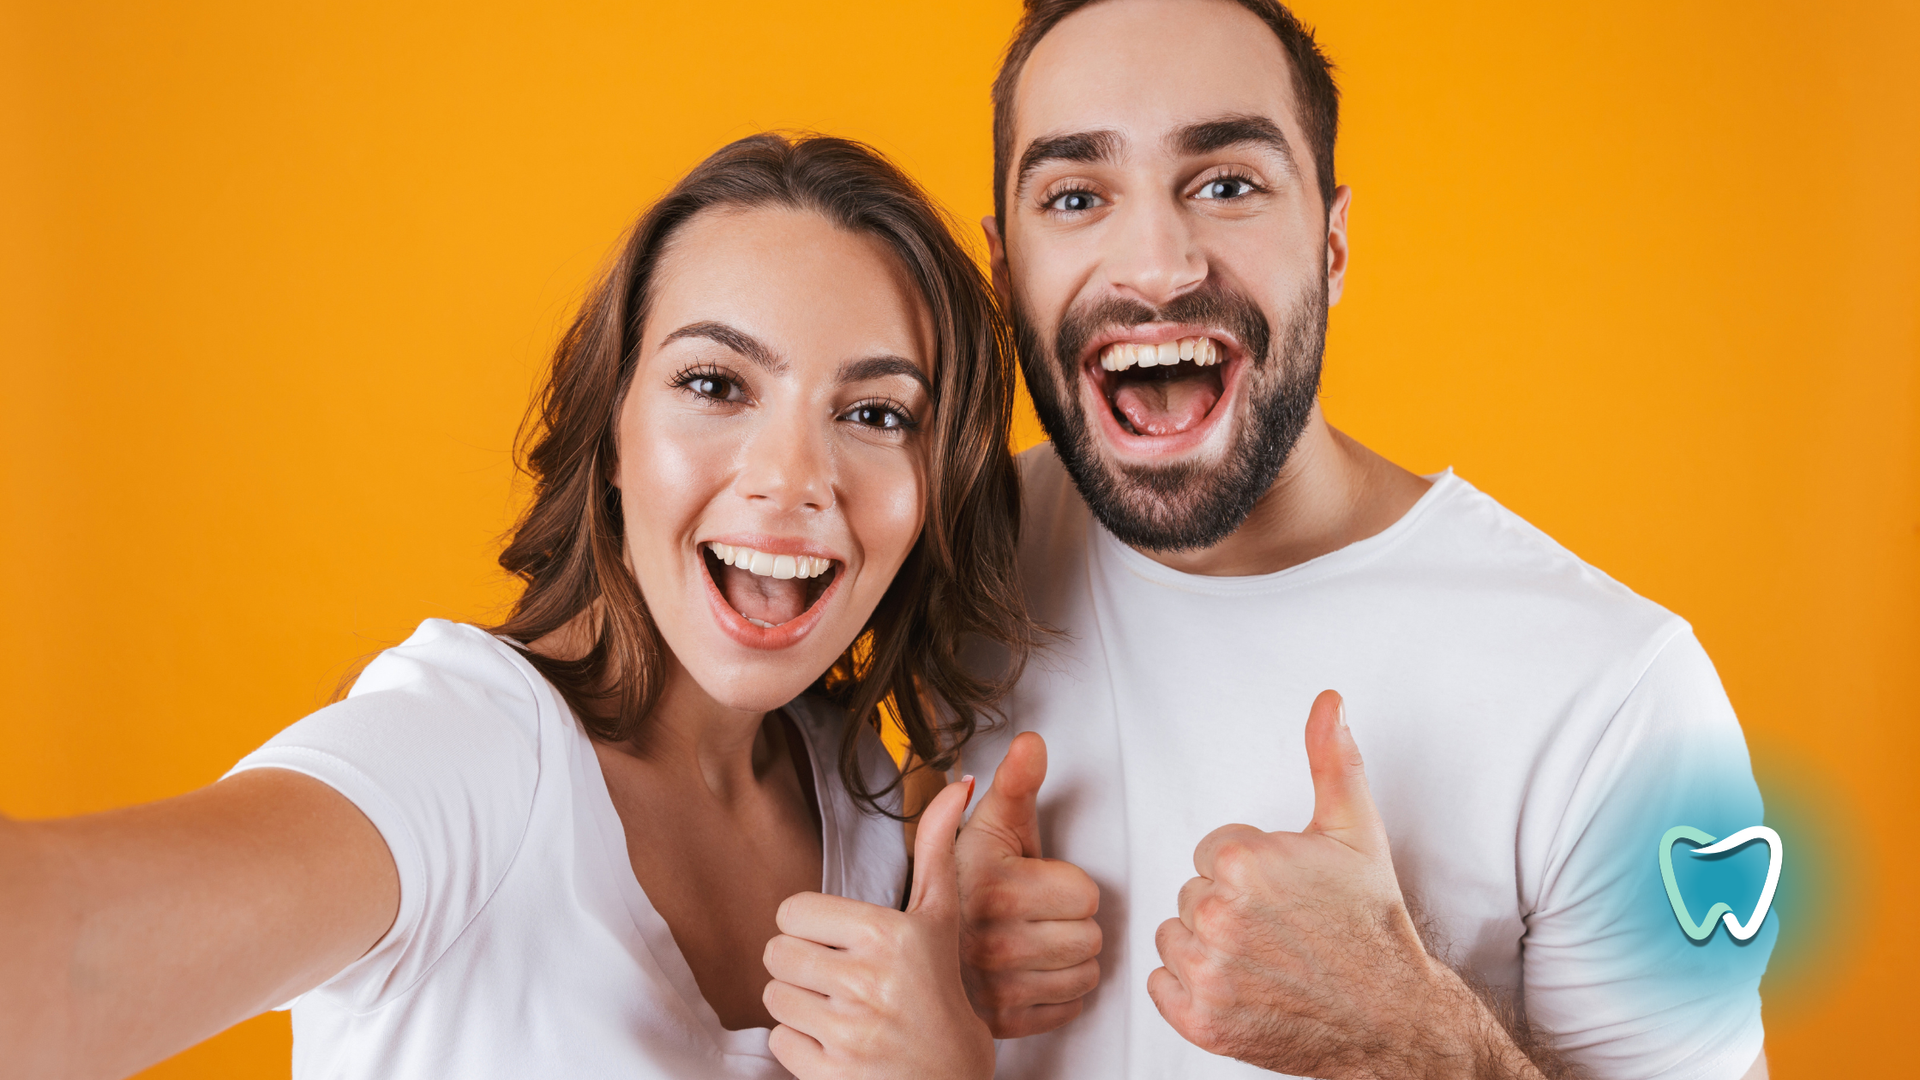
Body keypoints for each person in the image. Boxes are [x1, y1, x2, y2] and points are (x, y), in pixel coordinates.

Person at [0, 133, 1025, 1080]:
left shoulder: (872, 814)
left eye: (877, 413)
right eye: (715, 384)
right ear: (613, 430)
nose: (791, 479)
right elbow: (59, 950)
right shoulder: (461, 754)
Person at [948, 2, 1776, 1078]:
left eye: (1229, 183)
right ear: (1007, 272)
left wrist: (1415, 1042)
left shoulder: (1619, 696)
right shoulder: (922, 569)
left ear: (1332, 245)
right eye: (1074, 195)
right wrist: (922, 940)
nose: (1153, 265)